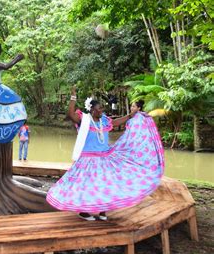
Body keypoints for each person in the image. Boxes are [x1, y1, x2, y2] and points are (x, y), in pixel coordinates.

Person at [46, 86, 164, 221]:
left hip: (105, 157)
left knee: (106, 184)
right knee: (87, 185)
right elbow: (70, 113)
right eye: (99, 108)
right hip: (88, 159)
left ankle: (103, 211)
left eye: (102, 108)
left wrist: (131, 115)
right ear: (92, 109)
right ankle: (84, 211)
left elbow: (115, 122)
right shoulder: (84, 120)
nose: (102, 110)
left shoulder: (104, 120)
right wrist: (73, 96)